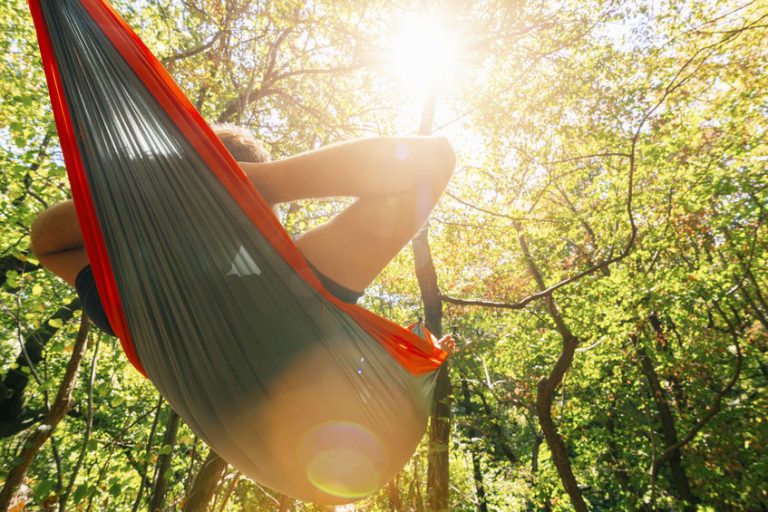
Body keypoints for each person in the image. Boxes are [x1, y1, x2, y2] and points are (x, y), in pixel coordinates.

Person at [31, 124, 456, 344]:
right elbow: (432, 162)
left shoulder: (291, 282)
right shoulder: (128, 282)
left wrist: (249, 185)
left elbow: (48, 245)